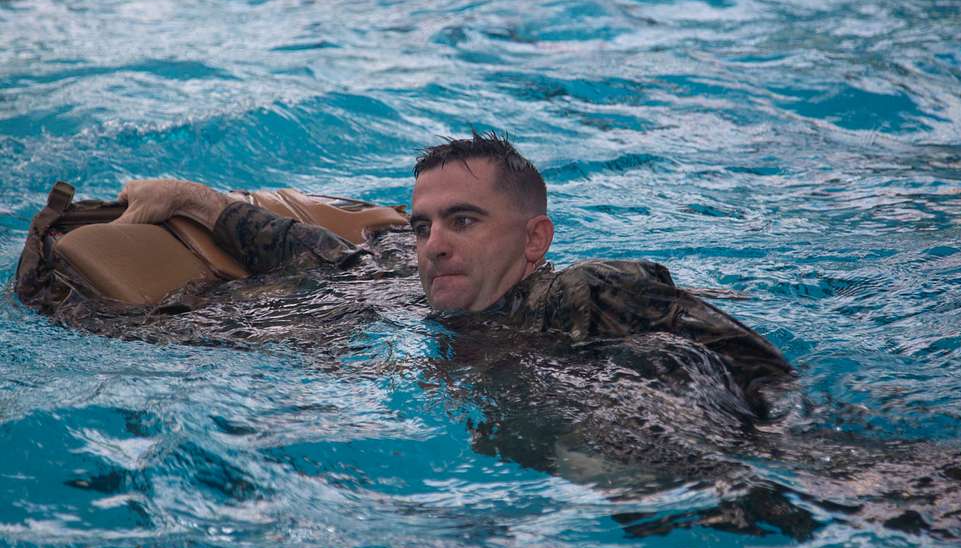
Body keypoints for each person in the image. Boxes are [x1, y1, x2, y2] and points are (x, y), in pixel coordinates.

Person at [114, 132, 795, 416]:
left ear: (534, 241)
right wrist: (189, 199)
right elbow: (311, 251)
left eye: (463, 221)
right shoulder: (399, 285)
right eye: (422, 226)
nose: (433, 244)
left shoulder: (580, 295)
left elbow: (761, 377)